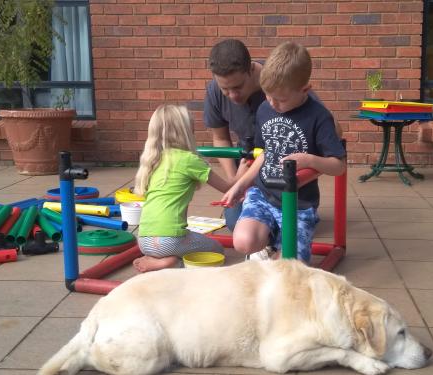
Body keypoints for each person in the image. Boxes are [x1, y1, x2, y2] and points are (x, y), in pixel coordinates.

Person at [222, 41, 347, 263]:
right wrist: (240, 185)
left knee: (290, 268)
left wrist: (310, 160)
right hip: (262, 195)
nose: (272, 104)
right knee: (242, 241)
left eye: (281, 99)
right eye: (268, 96)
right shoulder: (265, 109)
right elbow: (266, 153)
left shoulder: (319, 117)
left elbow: (339, 166)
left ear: (305, 89)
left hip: (299, 205)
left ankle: (279, 248)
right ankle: (268, 244)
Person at [132, 104, 231, 273]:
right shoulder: (188, 160)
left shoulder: (153, 160)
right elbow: (228, 188)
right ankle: (171, 262)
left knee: (181, 240)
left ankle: (158, 258)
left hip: (143, 241)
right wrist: (245, 166)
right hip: (169, 241)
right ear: (185, 131)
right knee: (216, 248)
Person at [204, 39, 266, 231]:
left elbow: (327, 128)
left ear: (251, 70)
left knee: (275, 224)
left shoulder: (278, 81)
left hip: (281, 165)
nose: (232, 95)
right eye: (225, 89)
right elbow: (221, 138)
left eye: (238, 87)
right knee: (235, 223)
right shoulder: (214, 91)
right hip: (246, 163)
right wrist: (235, 183)